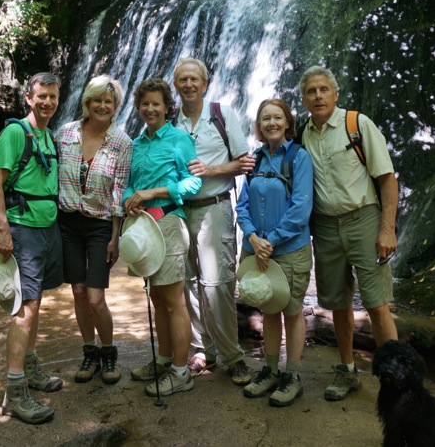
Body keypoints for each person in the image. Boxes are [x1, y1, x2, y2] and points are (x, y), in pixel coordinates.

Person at [298, 65, 399, 401]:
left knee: (377, 303)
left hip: (364, 219)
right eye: (311, 91)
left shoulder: (358, 124)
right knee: (339, 303)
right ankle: (347, 371)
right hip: (325, 227)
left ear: (335, 93)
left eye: (323, 89)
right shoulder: (303, 135)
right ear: (304, 98)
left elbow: (386, 178)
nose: (318, 96)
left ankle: (396, 379)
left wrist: (387, 228)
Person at [0, 72, 63, 424]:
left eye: (53, 97)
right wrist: (4, 230)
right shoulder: (15, 133)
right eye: (41, 96)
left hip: (48, 226)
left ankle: (30, 369)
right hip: (23, 228)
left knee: (36, 303)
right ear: (28, 99)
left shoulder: (48, 137)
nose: (47, 102)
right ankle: (15, 393)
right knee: (23, 309)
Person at [172, 58, 254, 386]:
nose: (189, 84)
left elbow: (245, 161)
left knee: (217, 284)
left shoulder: (222, 115)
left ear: (205, 84)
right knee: (188, 281)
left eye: (194, 79)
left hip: (215, 206)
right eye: (182, 80)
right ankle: (202, 349)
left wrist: (211, 170)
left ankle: (233, 356)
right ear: (176, 86)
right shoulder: (169, 121)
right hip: (179, 210)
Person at [124, 77, 203, 397]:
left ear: (167, 107)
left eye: (156, 103)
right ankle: (165, 359)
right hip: (143, 228)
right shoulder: (136, 144)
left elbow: (193, 184)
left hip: (169, 223)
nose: (150, 108)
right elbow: (130, 184)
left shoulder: (179, 140)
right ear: (138, 107)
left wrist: (153, 192)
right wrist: (129, 199)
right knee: (156, 300)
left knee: (174, 301)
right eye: (145, 104)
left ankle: (182, 372)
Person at [235, 99, 314, 407]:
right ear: (259, 124)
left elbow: (301, 208)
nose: (271, 123)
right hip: (257, 249)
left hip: (289, 250)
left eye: (277, 117)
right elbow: (241, 206)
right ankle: (269, 369)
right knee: (268, 308)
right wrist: (254, 237)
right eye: (265, 118)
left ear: (287, 122)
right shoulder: (254, 159)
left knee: (292, 311)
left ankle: (292, 376)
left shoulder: (299, 158)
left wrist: (272, 240)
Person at [55, 75, 132, 385]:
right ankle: (89, 352)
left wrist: (116, 236)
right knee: (78, 291)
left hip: (101, 226)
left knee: (96, 297)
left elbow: (119, 191)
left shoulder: (121, 142)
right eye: (97, 100)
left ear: (115, 107)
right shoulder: (65, 134)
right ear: (87, 102)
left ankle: (109, 351)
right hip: (68, 222)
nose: (103, 106)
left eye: (109, 102)